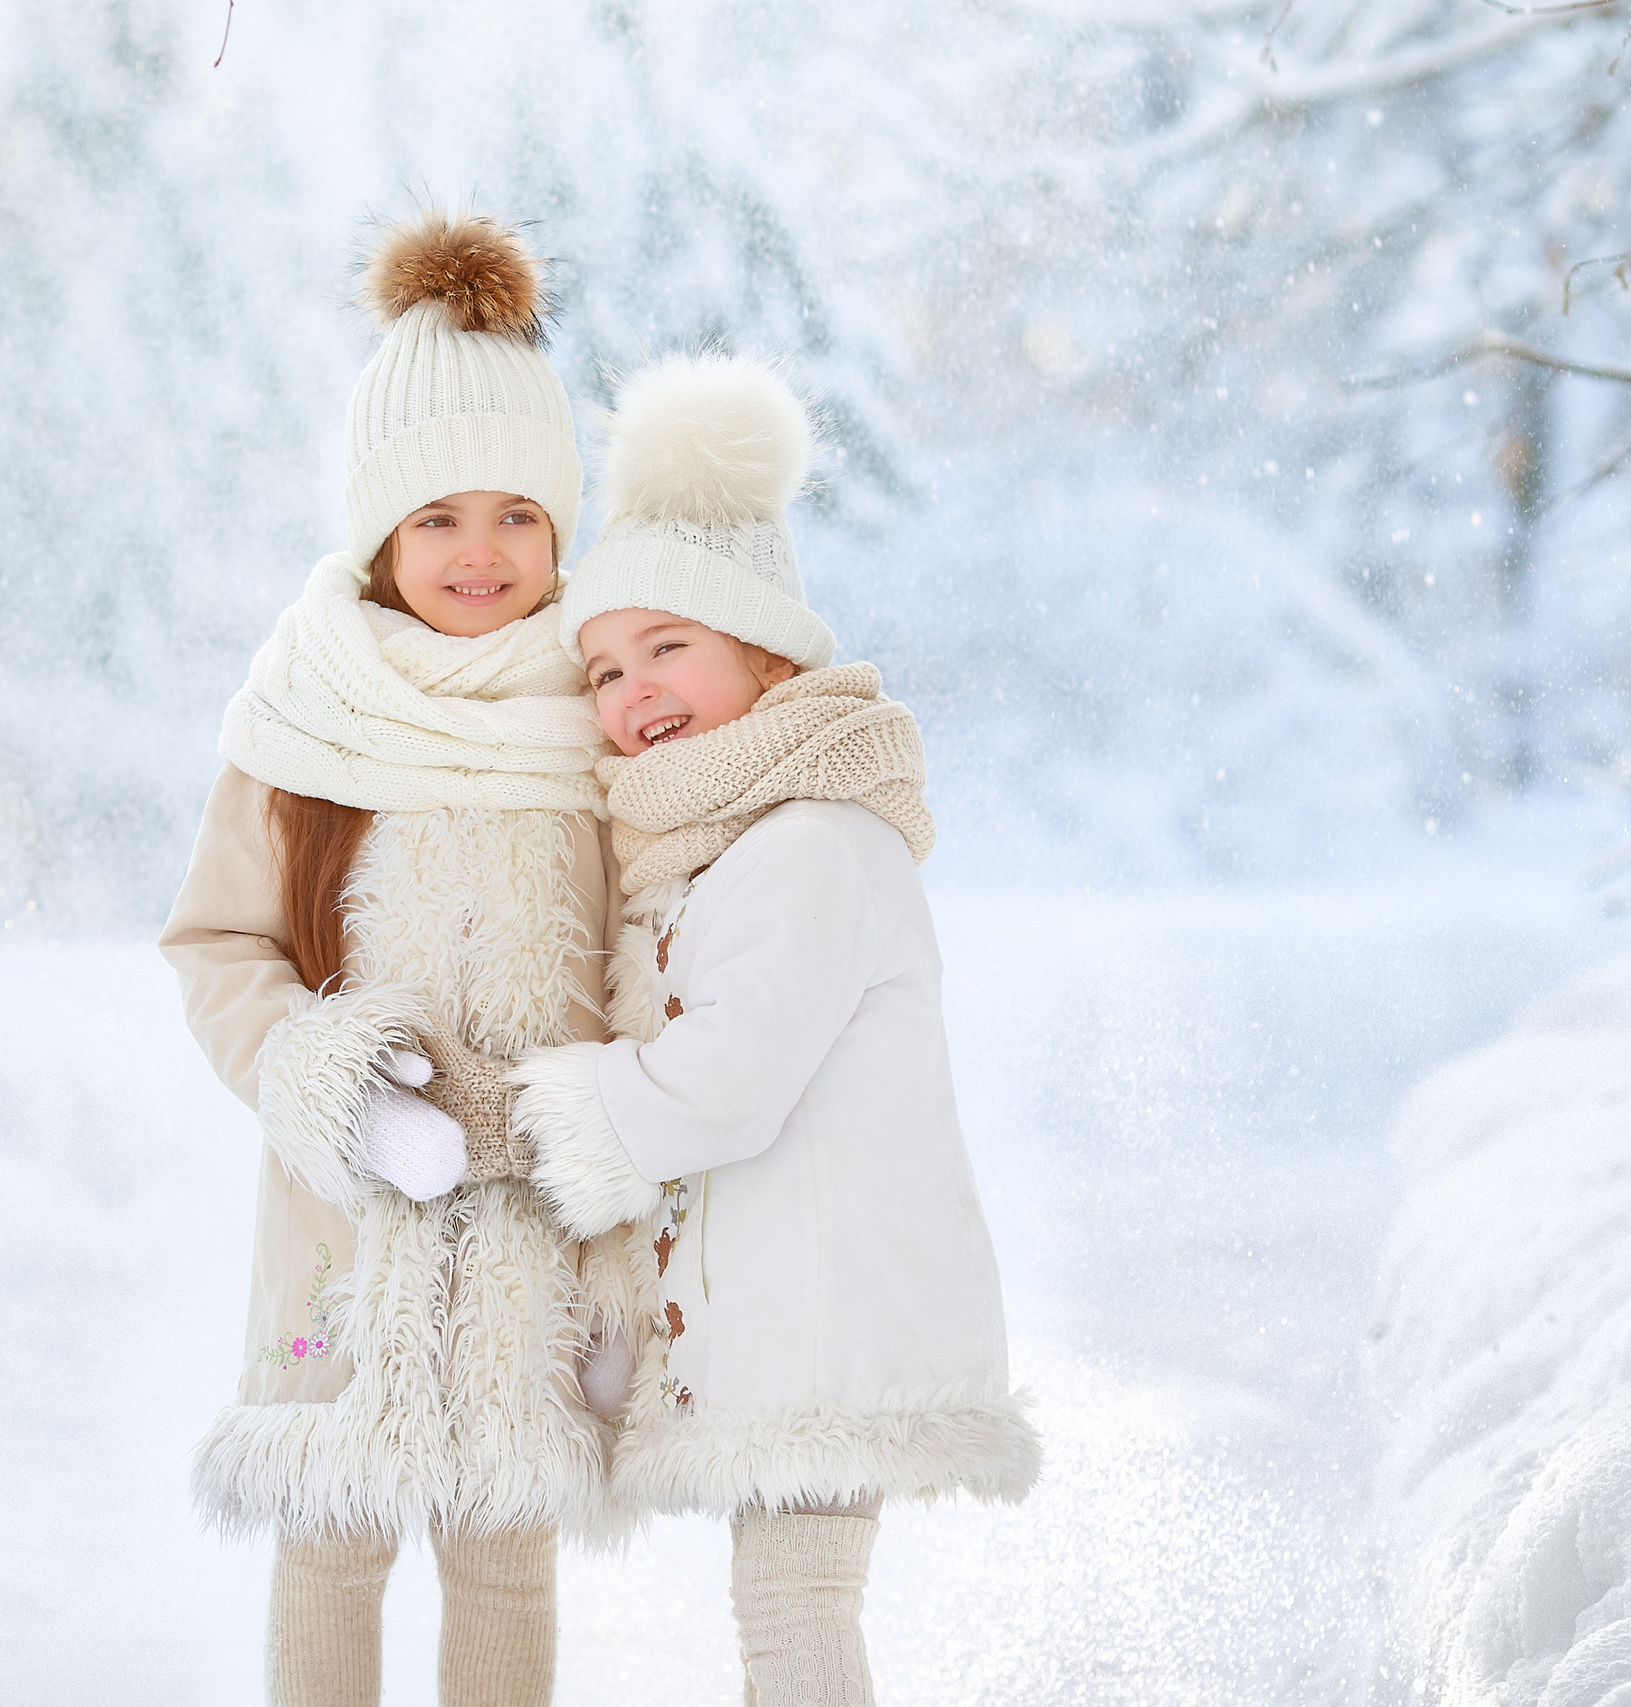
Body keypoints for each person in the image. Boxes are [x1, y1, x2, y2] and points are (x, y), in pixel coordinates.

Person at [158, 209, 649, 1707]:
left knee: (507, 1544)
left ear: (564, 529)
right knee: (336, 1528)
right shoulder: (309, 717)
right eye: (438, 518)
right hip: (344, 1219)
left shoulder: (602, 710)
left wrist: (614, 1184)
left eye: (516, 514)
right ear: (377, 536)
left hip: (535, 1219)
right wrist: (332, 1085)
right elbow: (220, 943)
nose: (480, 553)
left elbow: (646, 960)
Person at [504, 353, 1041, 1707]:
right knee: (788, 1609)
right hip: (808, 1314)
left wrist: (566, 1109)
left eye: (668, 647)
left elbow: (727, 1082)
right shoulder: (729, 847)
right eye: (606, 670)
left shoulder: (810, 844)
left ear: (764, 651)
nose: (632, 694)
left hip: (836, 1317)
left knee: (793, 1609)